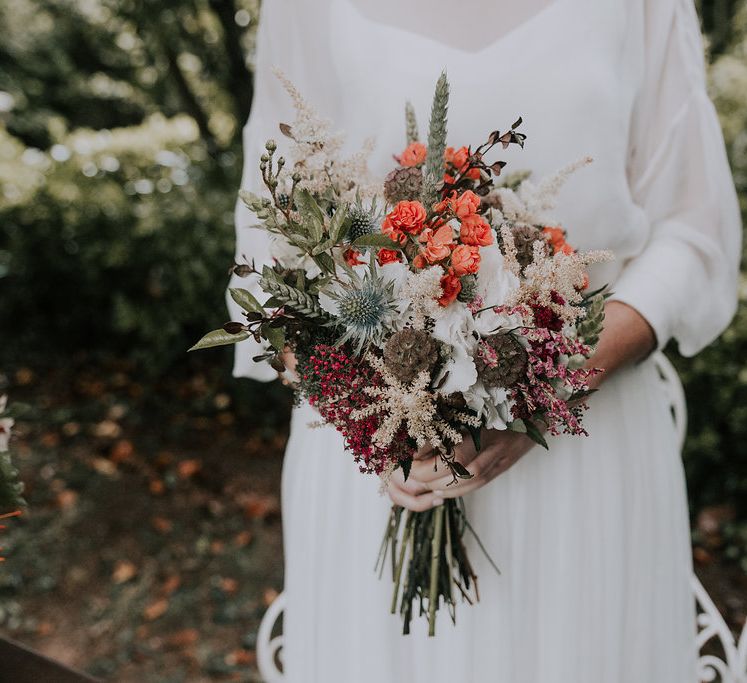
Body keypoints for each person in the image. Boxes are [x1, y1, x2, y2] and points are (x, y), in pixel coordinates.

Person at [226, 1, 742, 680]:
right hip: (376, 454)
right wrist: (370, 412)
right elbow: (270, 247)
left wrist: (545, 385)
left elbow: (693, 232)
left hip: (580, 449)